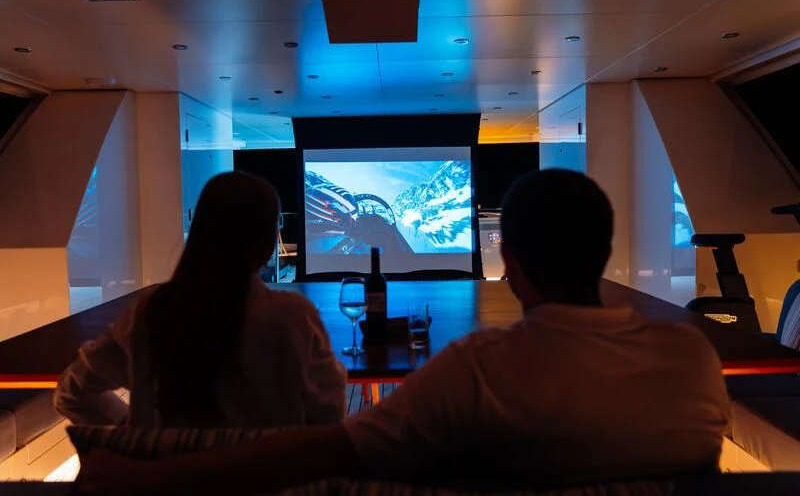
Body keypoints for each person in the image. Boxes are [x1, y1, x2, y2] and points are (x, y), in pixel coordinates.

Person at [77, 169, 730, 493]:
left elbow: (330, 448)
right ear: (604, 250)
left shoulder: (480, 372)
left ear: (510, 263)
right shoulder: (693, 359)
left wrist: (143, 461)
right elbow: (328, 421)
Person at [55, 171, 346, 428]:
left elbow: (73, 393)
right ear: (269, 239)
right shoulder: (292, 316)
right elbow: (329, 412)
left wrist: (134, 431)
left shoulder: (151, 313)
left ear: (200, 231)